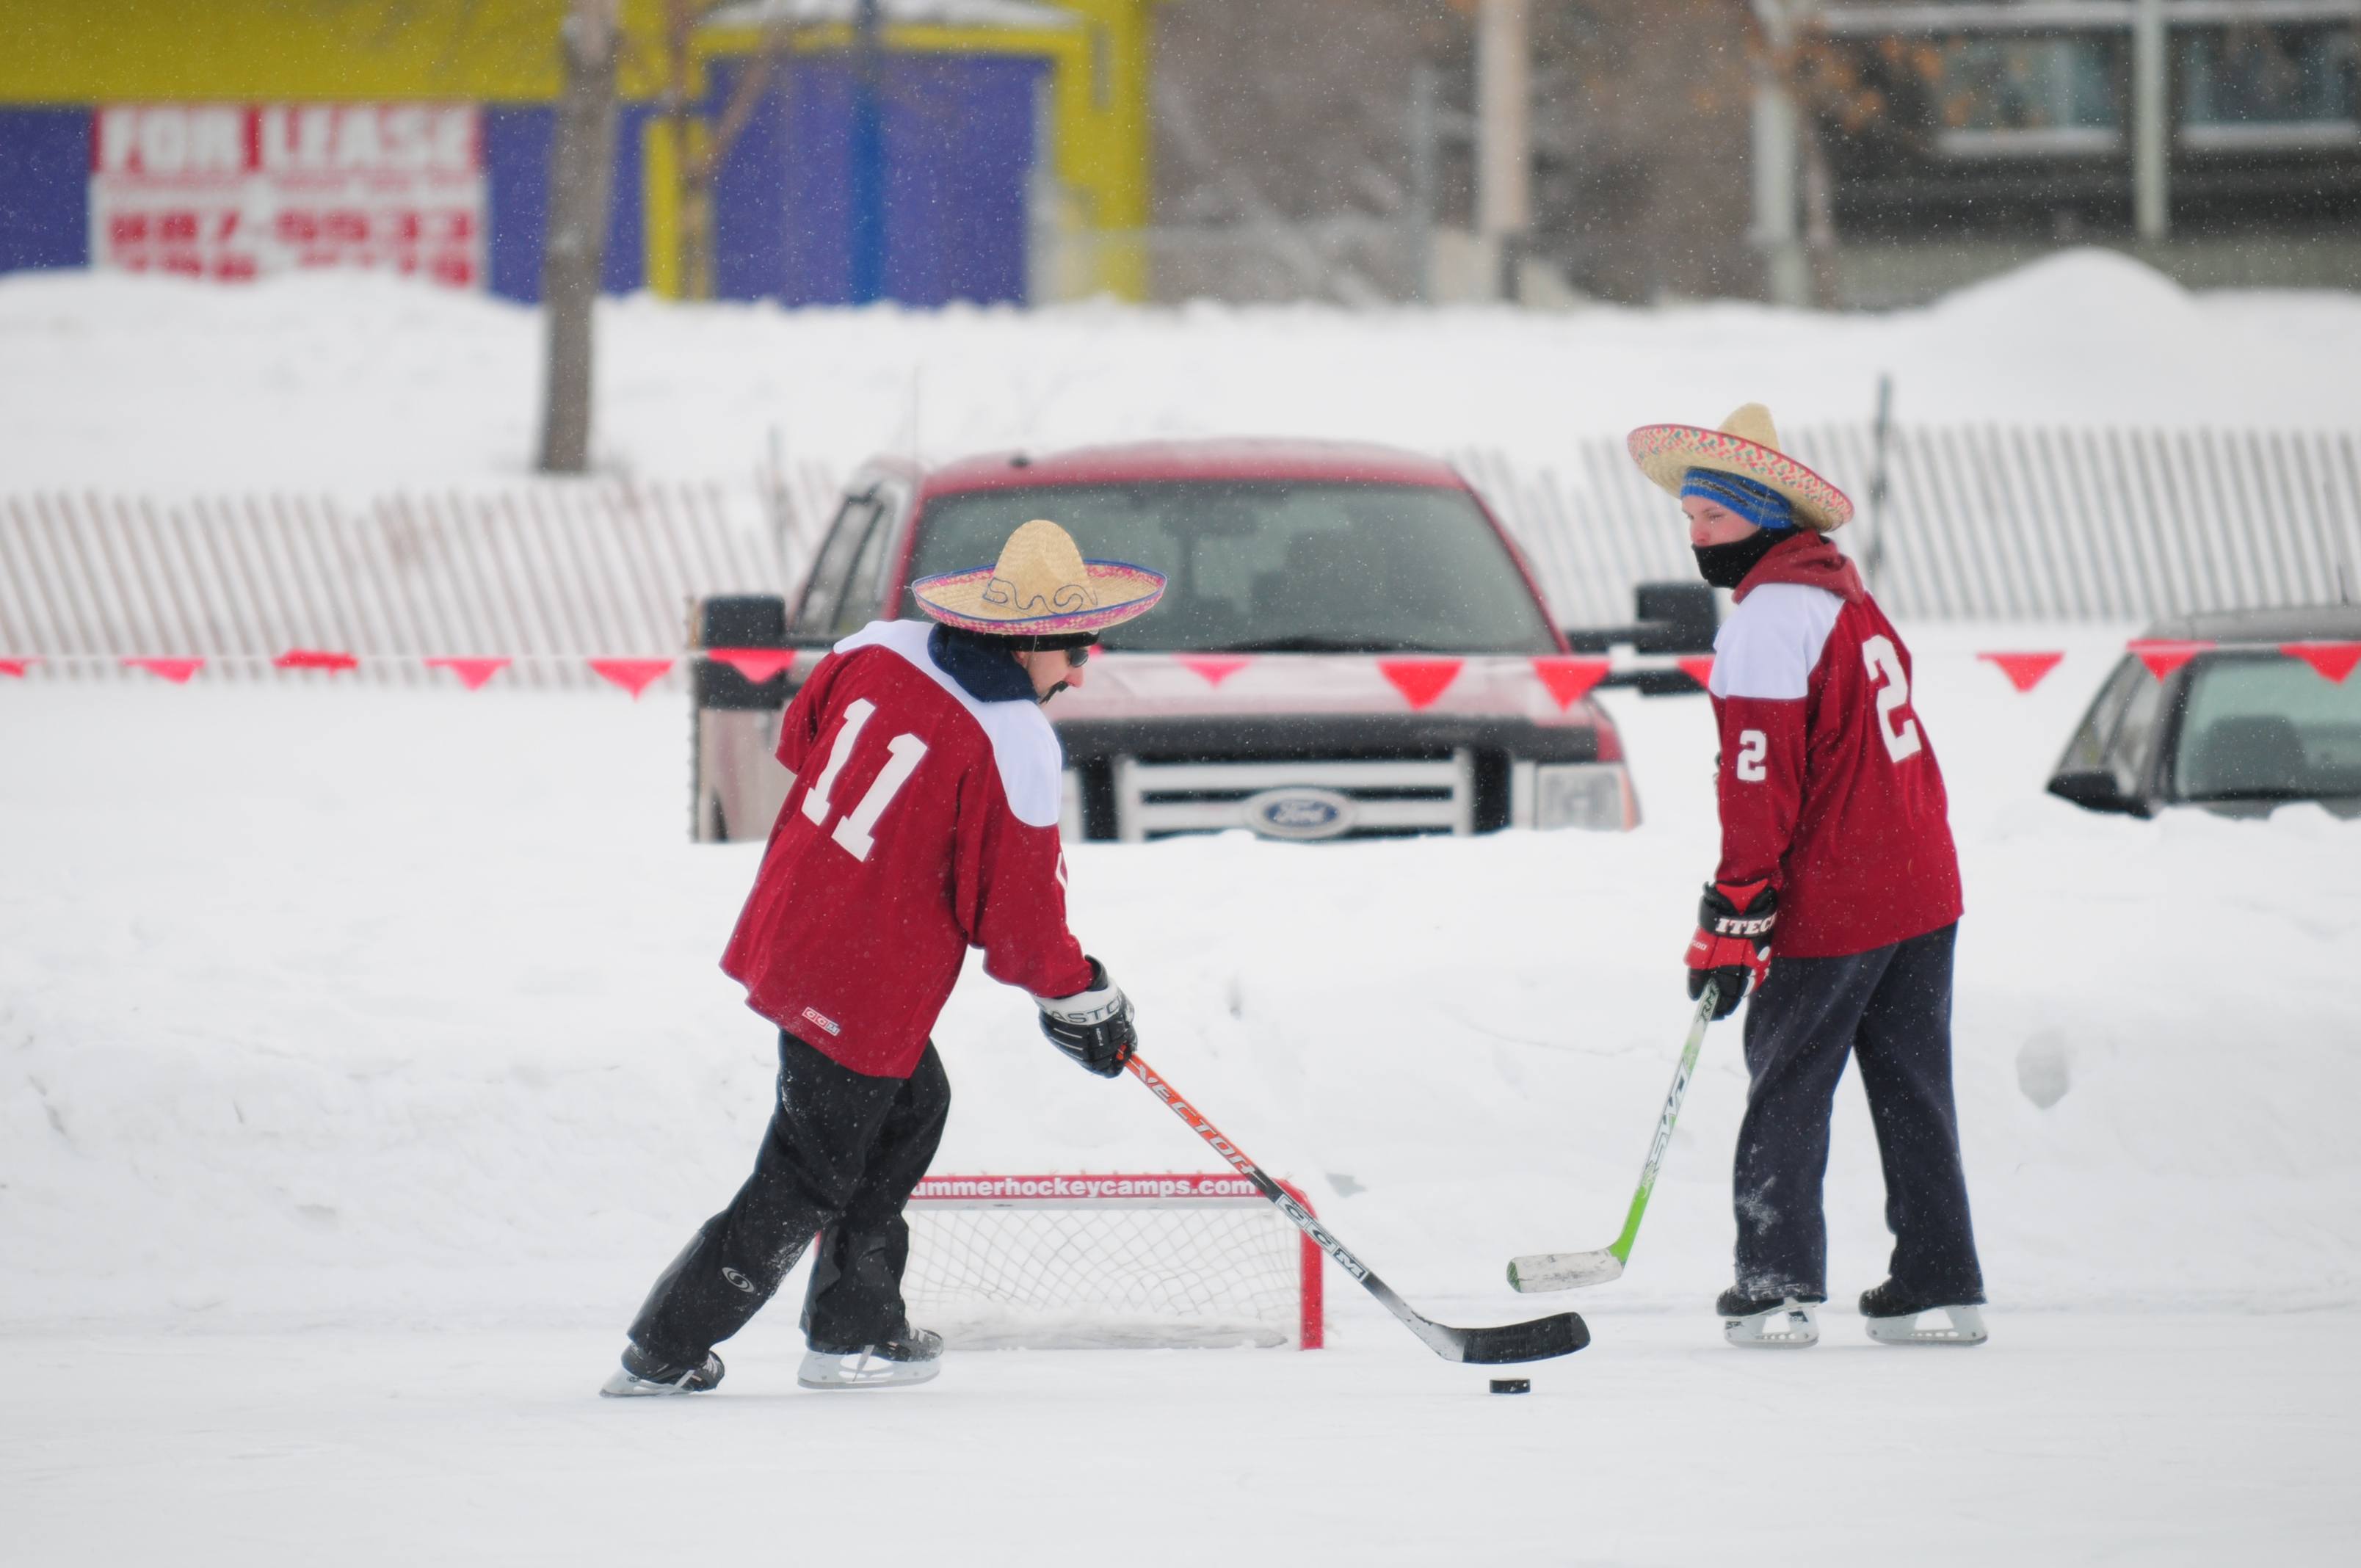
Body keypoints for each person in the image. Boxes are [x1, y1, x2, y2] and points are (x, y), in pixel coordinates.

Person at [601, 519, 1167, 1395]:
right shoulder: (1014, 738)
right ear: (1026, 646)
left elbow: (800, 742)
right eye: (1077, 650)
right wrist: (1081, 996)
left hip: (798, 924)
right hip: (862, 975)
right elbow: (1018, 924)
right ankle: (666, 1348)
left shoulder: (878, 647)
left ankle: (855, 1324)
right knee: (806, 1171)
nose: (1084, 669)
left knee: (910, 1109)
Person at [1627, 404, 1987, 1349]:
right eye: (1690, 519)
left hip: (1842, 893)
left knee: (1788, 1084)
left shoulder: (1769, 622)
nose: (1695, 535)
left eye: (1712, 518)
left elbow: (1760, 784)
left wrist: (1735, 912)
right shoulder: (1843, 597)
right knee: (1914, 1087)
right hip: (1921, 883)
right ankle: (1940, 1285)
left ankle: (1776, 1289)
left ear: (1764, 515)